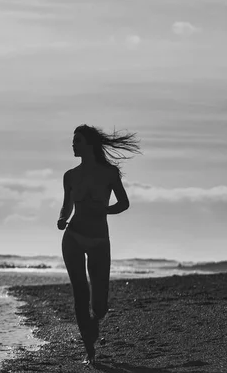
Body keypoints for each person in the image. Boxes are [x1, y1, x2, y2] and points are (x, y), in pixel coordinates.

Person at [57, 124, 141, 365]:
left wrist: (104, 209)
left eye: (77, 141)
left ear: (90, 144)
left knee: (100, 305)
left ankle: (94, 324)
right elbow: (67, 205)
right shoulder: (70, 176)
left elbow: (124, 203)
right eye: (73, 142)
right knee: (80, 294)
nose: (73, 145)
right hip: (73, 236)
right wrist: (63, 218)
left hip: (99, 241)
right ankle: (90, 352)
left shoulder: (109, 173)